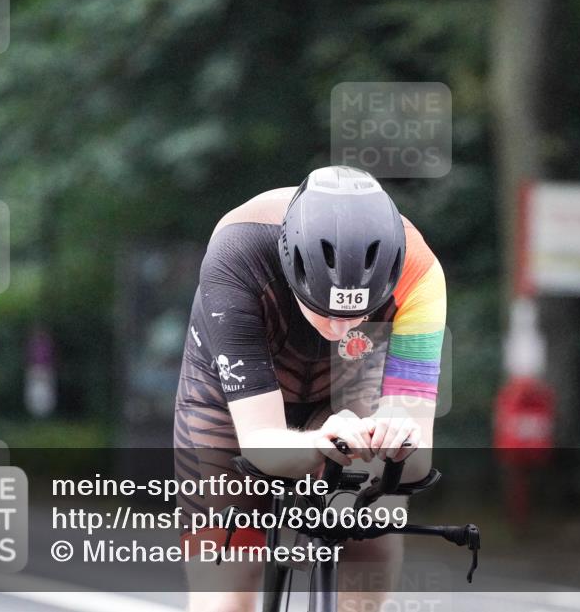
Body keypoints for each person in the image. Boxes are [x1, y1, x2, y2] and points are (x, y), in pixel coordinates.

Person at [174, 166, 446, 612]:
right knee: (227, 586)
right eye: (323, 310)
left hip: (348, 386)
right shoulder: (236, 252)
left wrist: (397, 438)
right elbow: (260, 444)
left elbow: (417, 462)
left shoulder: (420, 275)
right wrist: (319, 444)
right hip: (229, 399)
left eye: (359, 313)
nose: (340, 328)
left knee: (375, 533)